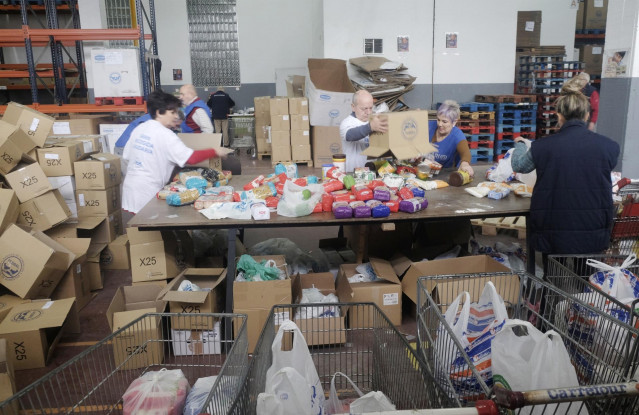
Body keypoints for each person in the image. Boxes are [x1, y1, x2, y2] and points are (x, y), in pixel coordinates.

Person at [511, 86, 619, 259]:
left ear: (559, 115)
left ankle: (549, 284)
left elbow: (520, 166)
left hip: (553, 227)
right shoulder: (610, 147)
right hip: (592, 226)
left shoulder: (543, 147)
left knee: (553, 273)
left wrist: (521, 144)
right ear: (586, 116)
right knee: (583, 277)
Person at [121, 91, 225, 219]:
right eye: (172, 112)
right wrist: (214, 151)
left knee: (140, 231)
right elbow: (191, 158)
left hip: (131, 188)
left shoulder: (140, 128)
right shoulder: (165, 134)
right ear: (159, 112)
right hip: (147, 192)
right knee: (151, 232)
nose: (176, 116)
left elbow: (126, 156)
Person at [339, 90, 388, 172]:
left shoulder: (375, 120)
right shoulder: (347, 123)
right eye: (364, 108)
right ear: (353, 107)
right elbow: (350, 135)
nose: (368, 112)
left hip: (374, 171)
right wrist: (370, 127)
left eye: (370, 108)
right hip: (354, 173)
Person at [429, 100, 474, 177]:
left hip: (442, 174)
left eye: (444, 121)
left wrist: (465, 163)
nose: (440, 124)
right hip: (422, 171)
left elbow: (465, 152)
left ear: (454, 122)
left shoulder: (457, 135)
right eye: (438, 120)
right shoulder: (428, 126)